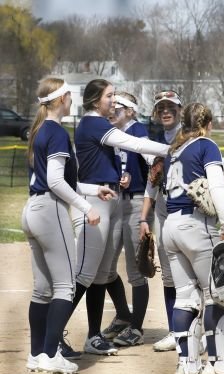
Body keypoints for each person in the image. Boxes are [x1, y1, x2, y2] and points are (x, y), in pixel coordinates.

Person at [63, 79, 169, 356]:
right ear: (96, 99)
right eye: (109, 96)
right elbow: (132, 144)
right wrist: (174, 148)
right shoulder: (94, 123)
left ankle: (93, 336)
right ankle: (54, 335)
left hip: (106, 198)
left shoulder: (97, 123)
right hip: (94, 202)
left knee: (98, 275)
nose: (113, 101)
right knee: (85, 274)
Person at [22, 77, 115, 374]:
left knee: (42, 290)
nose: (72, 100)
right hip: (50, 210)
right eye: (69, 96)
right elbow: (56, 182)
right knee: (65, 285)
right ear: (61, 100)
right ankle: (51, 354)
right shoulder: (57, 132)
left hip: (32, 209)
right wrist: (87, 208)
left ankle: (37, 354)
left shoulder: (40, 130)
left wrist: (92, 190)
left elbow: (62, 181)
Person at [162, 102, 224, 374]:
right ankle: (220, 365)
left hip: (170, 225)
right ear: (207, 123)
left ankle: (186, 365)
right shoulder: (205, 145)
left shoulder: (174, 150)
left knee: (185, 298)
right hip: (195, 224)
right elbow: (215, 185)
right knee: (218, 295)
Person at [100, 92, 155, 346]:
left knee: (135, 269)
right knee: (106, 266)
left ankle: (136, 327)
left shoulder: (138, 131)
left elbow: (153, 164)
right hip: (117, 201)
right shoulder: (114, 135)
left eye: (119, 107)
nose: (113, 110)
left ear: (131, 111)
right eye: (112, 106)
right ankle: (123, 315)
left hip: (135, 203)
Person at [140, 90, 183, 352]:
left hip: (189, 211)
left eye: (171, 107)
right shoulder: (155, 142)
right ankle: (175, 331)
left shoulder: (190, 136)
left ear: (180, 109)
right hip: (165, 211)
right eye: (161, 108)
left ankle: (197, 330)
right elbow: (152, 184)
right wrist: (144, 217)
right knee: (168, 275)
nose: (166, 111)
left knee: (191, 274)